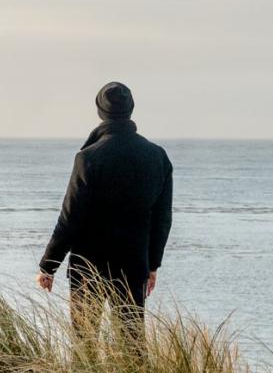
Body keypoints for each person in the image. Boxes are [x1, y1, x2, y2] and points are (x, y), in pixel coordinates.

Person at [36, 81, 174, 347]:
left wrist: (48, 265)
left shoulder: (88, 157)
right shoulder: (157, 156)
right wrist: (152, 264)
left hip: (89, 263)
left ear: (100, 111)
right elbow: (162, 218)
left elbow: (70, 217)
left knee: (84, 343)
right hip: (134, 261)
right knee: (132, 341)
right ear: (130, 110)